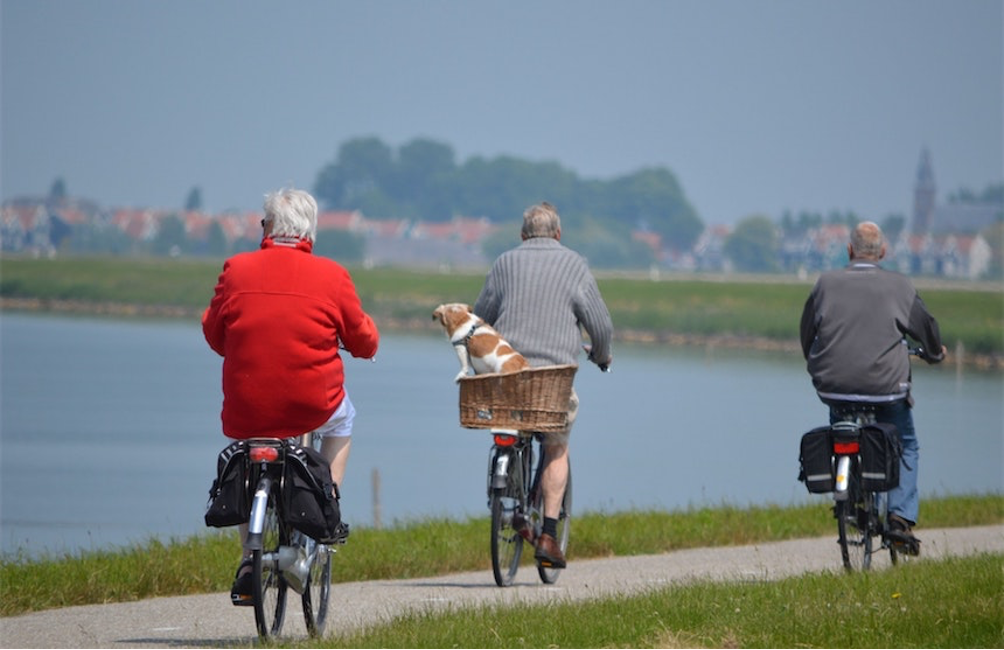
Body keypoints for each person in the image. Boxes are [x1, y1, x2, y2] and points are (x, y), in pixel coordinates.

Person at [202, 187, 379, 605]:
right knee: (344, 420)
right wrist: (364, 346)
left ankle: (250, 557)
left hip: (248, 404)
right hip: (311, 403)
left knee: (248, 452)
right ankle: (327, 502)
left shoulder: (236, 268)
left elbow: (213, 333)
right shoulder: (333, 276)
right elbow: (363, 338)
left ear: (268, 228)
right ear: (310, 233)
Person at [474, 201, 613, 568]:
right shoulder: (575, 265)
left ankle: (508, 495)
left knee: (510, 426)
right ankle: (549, 534)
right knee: (556, 447)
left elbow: (479, 320)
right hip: (553, 382)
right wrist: (601, 355)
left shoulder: (504, 263)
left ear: (522, 236)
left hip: (507, 379)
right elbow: (600, 326)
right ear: (558, 234)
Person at [799, 220, 946, 554]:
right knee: (906, 444)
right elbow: (927, 329)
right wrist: (935, 354)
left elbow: (807, 332)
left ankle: (850, 498)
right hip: (886, 388)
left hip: (835, 386)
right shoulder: (900, 286)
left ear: (849, 251)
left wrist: (815, 361)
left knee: (842, 432)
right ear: (883, 252)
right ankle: (899, 519)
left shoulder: (825, 283)